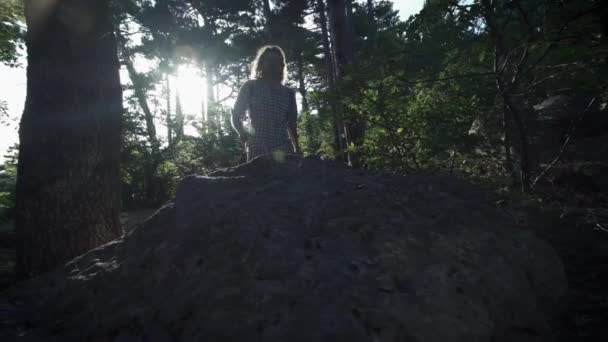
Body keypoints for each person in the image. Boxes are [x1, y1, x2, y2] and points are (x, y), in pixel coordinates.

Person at [231, 45, 301, 162]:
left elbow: (292, 125)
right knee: (258, 180)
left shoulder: (288, 93)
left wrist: (297, 148)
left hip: (283, 151)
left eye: (276, 61)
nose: (273, 64)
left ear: (282, 66)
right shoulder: (250, 86)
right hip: (257, 150)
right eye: (269, 60)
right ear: (261, 63)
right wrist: (242, 132)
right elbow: (236, 114)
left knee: (283, 180)